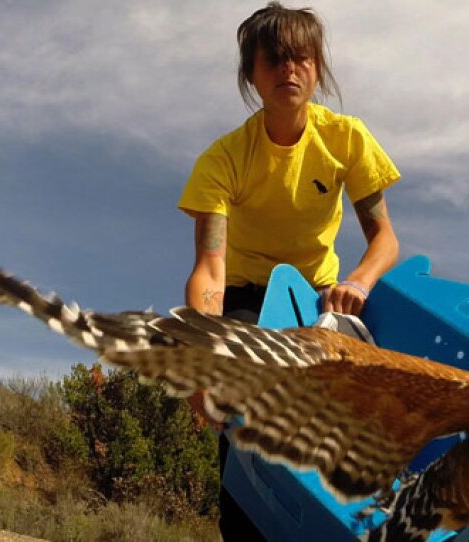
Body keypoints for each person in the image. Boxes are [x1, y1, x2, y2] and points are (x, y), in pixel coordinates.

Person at [177, 2, 401, 539]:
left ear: (317, 67)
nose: (288, 70)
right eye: (272, 59)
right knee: (245, 426)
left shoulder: (346, 139)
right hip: (247, 301)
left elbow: (385, 240)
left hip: (324, 300)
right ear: (251, 74)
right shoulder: (224, 159)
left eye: (300, 57)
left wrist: (359, 281)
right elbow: (210, 268)